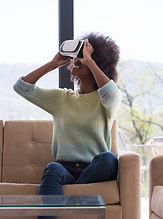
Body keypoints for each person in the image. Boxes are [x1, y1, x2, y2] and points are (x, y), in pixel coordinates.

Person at [13, 32, 122, 219]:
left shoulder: (105, 101)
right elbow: (21, 87)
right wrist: (52, 64)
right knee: (52, 168)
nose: (77, 61)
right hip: (65, 169)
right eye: (76, 57)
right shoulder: (61, 99)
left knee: (109, 159)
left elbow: (112, 94)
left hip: (94, 168)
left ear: (96, 62)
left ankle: (71, 194)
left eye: (83, 57)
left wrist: (90, 61)